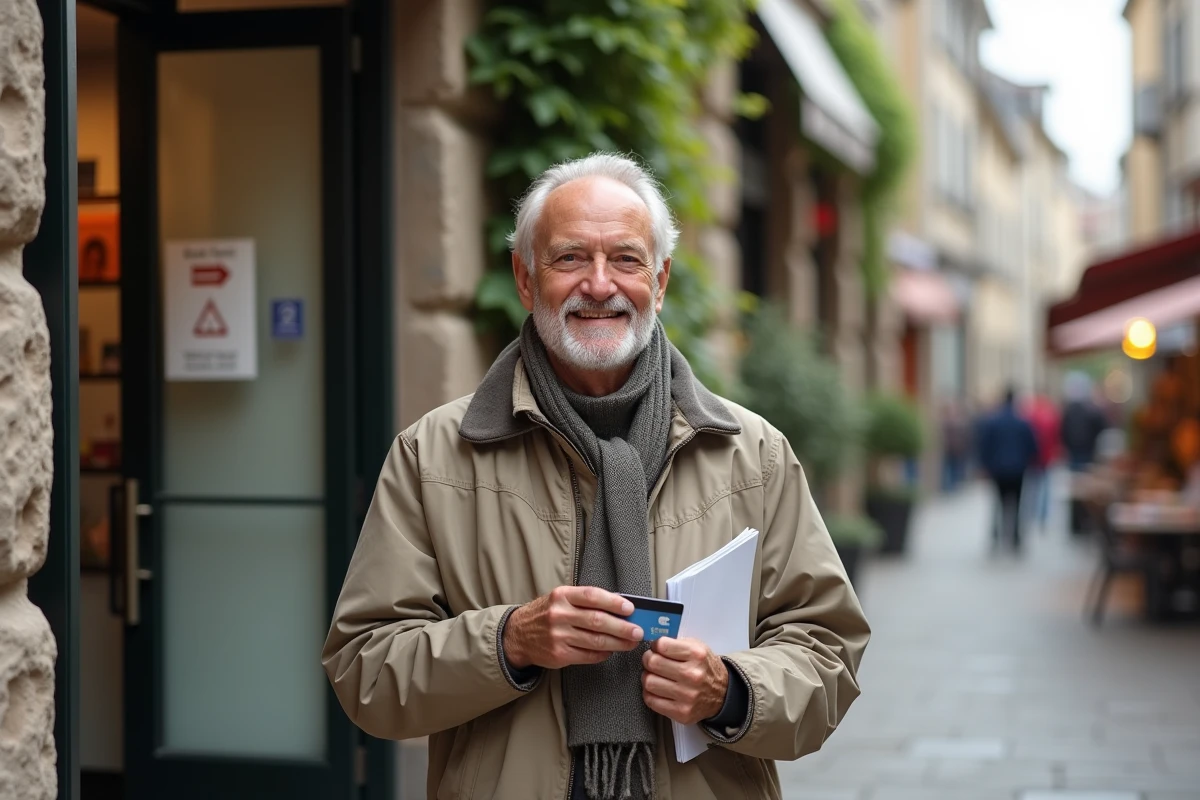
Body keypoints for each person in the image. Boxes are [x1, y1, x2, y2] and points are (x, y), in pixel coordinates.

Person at [322, 154, 870, 800]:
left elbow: (827, 650)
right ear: (526, 281)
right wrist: (508, 641)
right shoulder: (433, 457)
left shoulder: (753, 456)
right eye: (570, 258)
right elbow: (365, 671)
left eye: (627, 260)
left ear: (660, 282)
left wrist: (731, 690)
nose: (601, 284)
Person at [977, 388, 1040, 551]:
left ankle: (996, 536)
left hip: (998, 469)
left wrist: (984, 465)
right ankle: (1015, 537)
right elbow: (1032, 446)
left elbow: (984, 445)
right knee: (1017, 504)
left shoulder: (993, 421)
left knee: (998, 503)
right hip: (1018, 469)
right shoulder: (1022, 422)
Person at [1022, 391, 1061, 532]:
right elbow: (1056, 436)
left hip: (1034, 458)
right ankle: (1042, 515)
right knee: (1045, 488)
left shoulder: (1030, 415)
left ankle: (1030, 514)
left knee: (1032, 487)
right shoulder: (1051, 415)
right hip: (1047, 457)